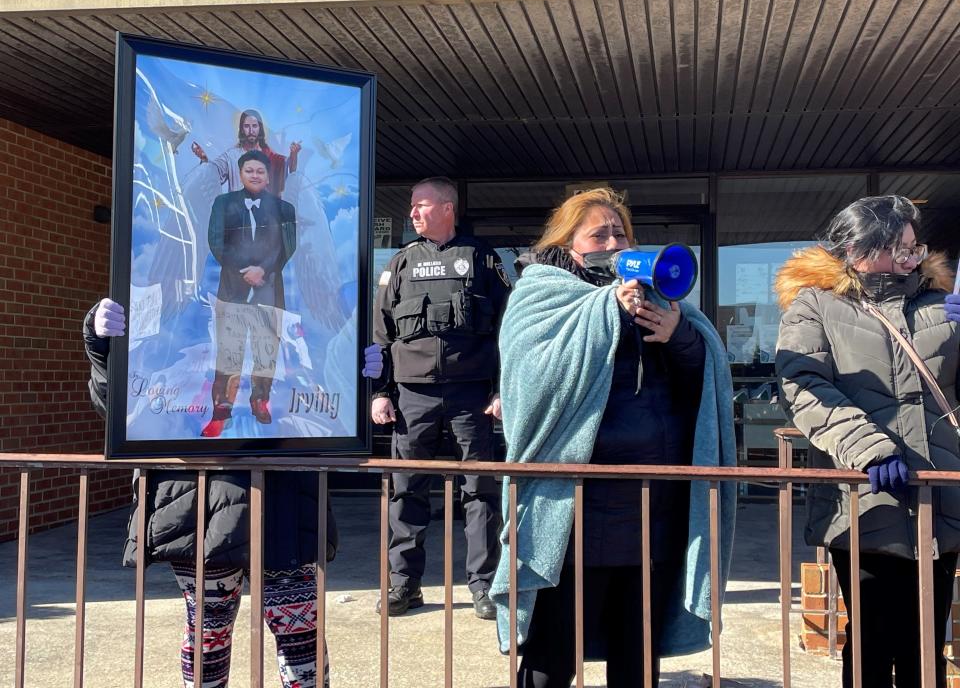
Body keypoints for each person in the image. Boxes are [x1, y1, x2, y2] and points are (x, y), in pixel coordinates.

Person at [486, 188, 737, 687]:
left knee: (638, 655)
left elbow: (705, 390)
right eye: (599, 233)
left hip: (653, 509)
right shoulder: (541, 293)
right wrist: (606, 311)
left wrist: (680, 334)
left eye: (620, 231)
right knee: (552, 655)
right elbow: (531, 384)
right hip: (574, 514)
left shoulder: (661, 297)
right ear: (569, 241)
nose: (614, 240)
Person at [85, 297, 382, 688]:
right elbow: (122, 407)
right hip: (199, 502)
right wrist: (102, 347)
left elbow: (325, 402)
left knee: (299, 635)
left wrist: (359, 378)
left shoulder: (294, 321)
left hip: (283, 500)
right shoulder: (177, 323)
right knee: (208, 632)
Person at [775, 195, 960, 688]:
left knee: (927, 647)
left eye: (914, 247)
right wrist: (869, 448)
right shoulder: (816, 304)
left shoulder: (939, 303)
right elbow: (804, 385)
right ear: (858, 248)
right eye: (898, 248)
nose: (911, 258)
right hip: (864, 498)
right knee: (872, 643)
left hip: (938, 498)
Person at [371, 176, 511, 619]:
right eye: (412, 206)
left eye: (421, 205)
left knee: (480, 493)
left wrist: (503, 390)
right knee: (407, 491)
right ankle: (403, 585)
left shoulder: (484, 260)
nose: (412, 212)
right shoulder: (400, 264)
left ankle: (484, 587)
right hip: (412, 397)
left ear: (447, 208)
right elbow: (379, 337)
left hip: (472, 397)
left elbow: (510, 332)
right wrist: (378, 393)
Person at [202, 149, 296, 438]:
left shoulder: (284, 209)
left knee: (265, 351)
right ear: (241, 174)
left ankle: (260, 401)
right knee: (229, 352)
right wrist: (244, 268)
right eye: (249, 170)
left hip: (269, 289)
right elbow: (215, 241)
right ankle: (221, 411)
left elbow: (287, 247)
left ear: (268, 176)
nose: (255, 175)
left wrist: (262, 271)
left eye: (260, 171)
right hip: (232, 290)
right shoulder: (223, 203)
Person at [191, 108, 300, 195]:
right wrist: (204, 159)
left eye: (254, 126)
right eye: (247, 126)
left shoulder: (270, 156)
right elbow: (214, 171)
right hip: (238, 217)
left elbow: (289, 170)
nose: (251, 131)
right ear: (242, 129)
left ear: (260, 128)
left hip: (265, 218)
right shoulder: (231, 156)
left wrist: (294, 155)